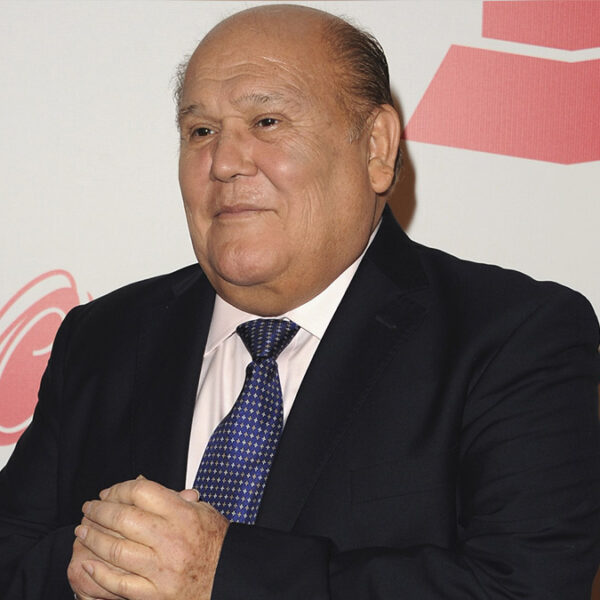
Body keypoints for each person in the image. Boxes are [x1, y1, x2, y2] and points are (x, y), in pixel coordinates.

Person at [1, 4, 599, 599]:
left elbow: (527, 586)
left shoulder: (513, 336)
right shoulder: (103, 336)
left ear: (376, 147)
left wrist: (221, 574)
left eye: (267, 121)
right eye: (201, 132)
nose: (224, 162)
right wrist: (100, 562)